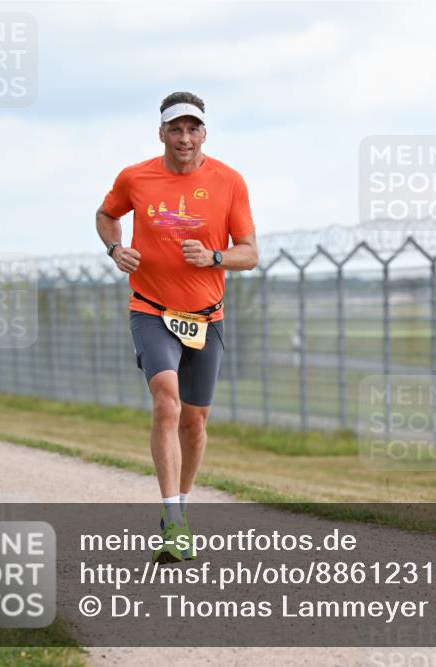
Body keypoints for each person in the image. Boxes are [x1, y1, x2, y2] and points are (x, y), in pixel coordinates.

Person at [95, 91, 258, 563]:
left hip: (206, 317)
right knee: (167, 402)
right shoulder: (136, 177)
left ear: (204, 133)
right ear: (161, 133)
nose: (184, 138)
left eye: (192, 129)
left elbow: (250, 253)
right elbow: (106, 215)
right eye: (175, 129)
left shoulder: (229, 181)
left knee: (194, 421)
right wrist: (115, 249)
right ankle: (174, 520)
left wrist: (214, 257)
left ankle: (179, 507)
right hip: (151, 309)